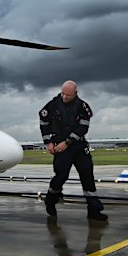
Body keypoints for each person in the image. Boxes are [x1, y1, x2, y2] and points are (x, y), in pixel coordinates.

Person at [39, 80, 108, 221]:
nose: (64, 97)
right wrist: (48, 142)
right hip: (60, 147)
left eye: (68, 95)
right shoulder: (52, 105)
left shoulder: (83, 107)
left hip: (78, 146)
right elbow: (43, 122)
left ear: (75, 93)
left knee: (87, 176)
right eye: (63, 94)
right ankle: (50, 201)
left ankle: (94, 210)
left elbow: (83, 128)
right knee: (61, 176)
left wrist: (68, 142)